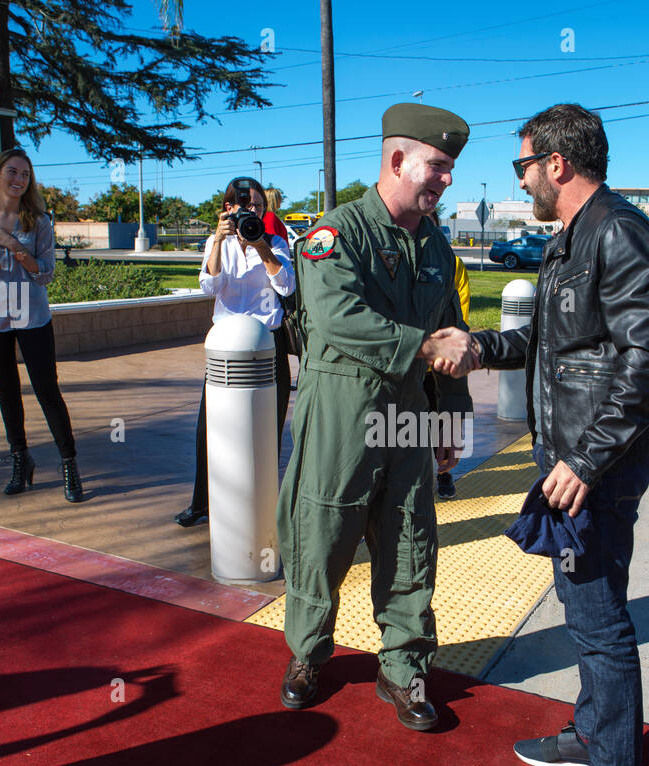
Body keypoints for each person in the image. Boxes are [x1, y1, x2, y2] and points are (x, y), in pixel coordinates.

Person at [461, 103, 649, 766]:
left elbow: (648, 361)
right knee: (582, 602)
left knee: (598, 619)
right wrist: (480, 347)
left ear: (556, 164)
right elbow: (552, 341)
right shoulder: (573, 237)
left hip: (596, 466)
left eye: (523, 165)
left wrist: (586, 460)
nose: (520, 179)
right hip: (577, 459)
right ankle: (592, 734)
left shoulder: (616, 232)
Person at [276, 103, 477, 730]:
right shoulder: (336, 233)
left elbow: (451, 334)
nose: (446, 179)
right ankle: (308, 653)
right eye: (437, 166)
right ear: (397, 160)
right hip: (341, 408)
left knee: (410, 537)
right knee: (322, 533)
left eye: (449, 169)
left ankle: (403, 667)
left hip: (410, 412)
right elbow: (338, 317)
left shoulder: (436, 244)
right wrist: (424, 346)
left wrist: (452, 417)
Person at [0, 148, 83, 502]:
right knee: (7, 392)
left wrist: (12, 244)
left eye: (25, 175)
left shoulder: (39, 221)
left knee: (47, 391)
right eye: (12, 172)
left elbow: (45, 273)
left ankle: (69, 464)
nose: (19, 180)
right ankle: (20, 459)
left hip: (32, 316)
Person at [174, 177, 294, 528]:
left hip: (268, 344)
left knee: (267, 428)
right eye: (245, 205)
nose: (252, 211)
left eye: (258, 205)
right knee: (210, 427)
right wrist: (218, 240)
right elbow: (210, 285)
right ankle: (202, 503)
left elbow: (287, 285)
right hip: (227, 347)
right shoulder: (218, 242)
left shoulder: (274, 242)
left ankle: (263, 505)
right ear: (229, 209)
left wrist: (261, 246)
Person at [425, 209, 471, 500]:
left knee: (440, 424)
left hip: (438, 365)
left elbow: (458, 319)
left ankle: (443, 472)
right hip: (405, 369)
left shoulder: (452, 265)